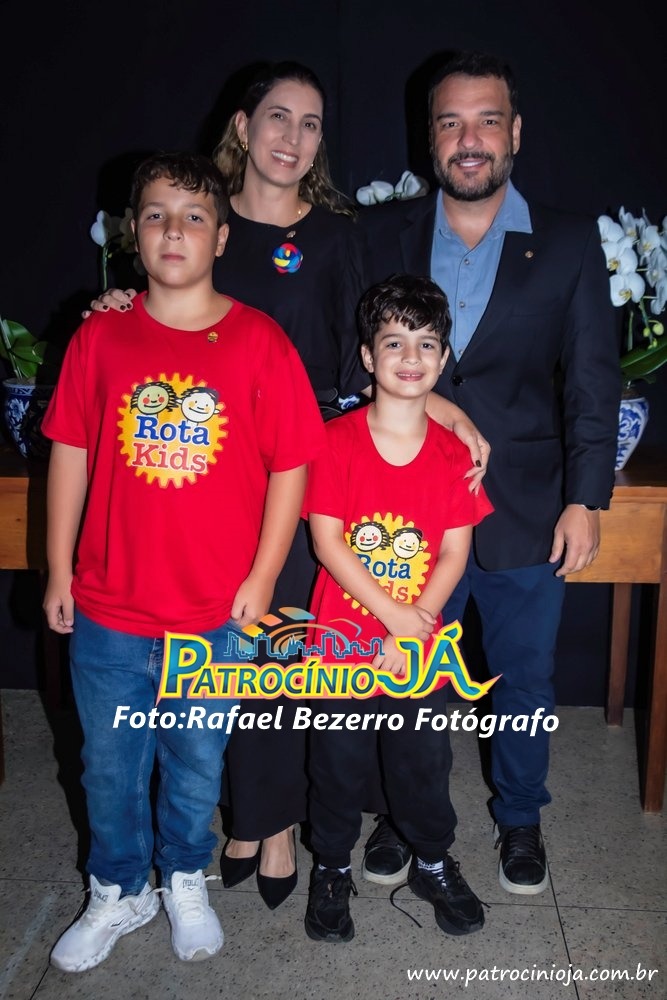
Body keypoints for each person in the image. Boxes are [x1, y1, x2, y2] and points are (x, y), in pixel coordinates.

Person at [89, 61, 490, 911]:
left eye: (310, 124)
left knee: (291, 652)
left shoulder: (340, 235)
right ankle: (255, 818)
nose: (293, 138)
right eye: (278, 117)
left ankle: (290, 820)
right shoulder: (200, 218)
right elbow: (160, 313)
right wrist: (114, 304)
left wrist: (444, 408)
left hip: (306, 467)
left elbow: (376, 348)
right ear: (242, 126)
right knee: (238, 654)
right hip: (210, 467)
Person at [41, 151, 324, 971]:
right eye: (157, 215)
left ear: (221, 237)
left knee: (197, 763)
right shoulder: (100, 337)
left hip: (214, 614)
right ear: (132, 233)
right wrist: (57, 568)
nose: (174, 230)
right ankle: (118, 888)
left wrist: (262, 577)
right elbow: (69, 454)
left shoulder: (259, 342)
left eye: (195, 217)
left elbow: (291, 467)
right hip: (109, 608)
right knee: (108, 767)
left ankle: (183, 877)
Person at [359, 50, 620, 893]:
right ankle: (403, 813)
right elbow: (344, 356)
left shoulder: (569, 241)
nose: (467, 139)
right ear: (428, 136)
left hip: (525, 507)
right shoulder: (381, 234)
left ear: (514, 132)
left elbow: (591, 382)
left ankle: (520, 816)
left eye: (485, 120)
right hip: (404, 507)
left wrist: (585, 499)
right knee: (404, 673)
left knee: (524, 677)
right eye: (450, 121)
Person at [302, 274, 493, 942]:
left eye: (426, 344)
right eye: (393, 342)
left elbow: (453, 552)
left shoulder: (454, 456)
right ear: (367, 355)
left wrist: (413, 629)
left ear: (443, 359)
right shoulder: (333, 442)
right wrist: (391, 616)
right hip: (339, 648)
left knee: (422, 764)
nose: (410, 357)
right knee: (336, 766)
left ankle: (432, 862)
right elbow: (327, 543)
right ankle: (330, 868)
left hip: (416, 648)